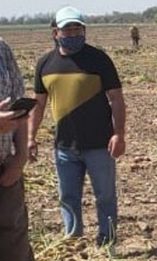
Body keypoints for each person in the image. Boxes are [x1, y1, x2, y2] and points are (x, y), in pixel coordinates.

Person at [28, 6, 127, 247]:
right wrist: (30, 137)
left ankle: (108, 242)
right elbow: (38, 105)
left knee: (105, 196)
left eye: (77, 28)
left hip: (99, 144)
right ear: (55, 32)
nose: (73, 33)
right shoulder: (45, 64)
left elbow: (116, 99)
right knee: (68, 197)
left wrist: (119, 134)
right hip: (64, 147)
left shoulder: (99, 59)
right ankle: (73, 243)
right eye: (67, 29)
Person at [0, 39, 62, 261]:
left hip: (5, 172)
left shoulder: (2, 50)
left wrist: (20, 156)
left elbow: (22, 108)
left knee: (17, 256)